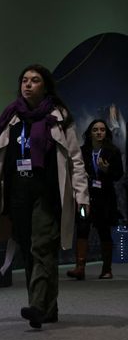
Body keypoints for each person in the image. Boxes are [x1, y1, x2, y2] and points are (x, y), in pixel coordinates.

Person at [0, 64, 89, 329]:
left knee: (42, 245)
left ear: (45, 86)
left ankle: (36, 306)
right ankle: (49, 307)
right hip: (17, 192)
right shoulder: (12, 117)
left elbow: (75, 160)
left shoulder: (59, 118)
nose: (28, 84)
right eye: (24, 80)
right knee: (30, 249)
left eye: (35, 80)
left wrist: (82, 196)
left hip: (46, 192)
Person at [66, 119, 124, 280]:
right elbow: (74, 170)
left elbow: (119, 174)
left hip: (105, 199)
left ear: (106, 133)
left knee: (104, 231)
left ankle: (106, 269)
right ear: (90, 133)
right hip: (86, 197)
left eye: (102, 130)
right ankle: (80, 268)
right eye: (95, 130)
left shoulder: (113, 151)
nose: (99, 132)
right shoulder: (83, 151)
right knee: (82, 228)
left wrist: (107, 170)